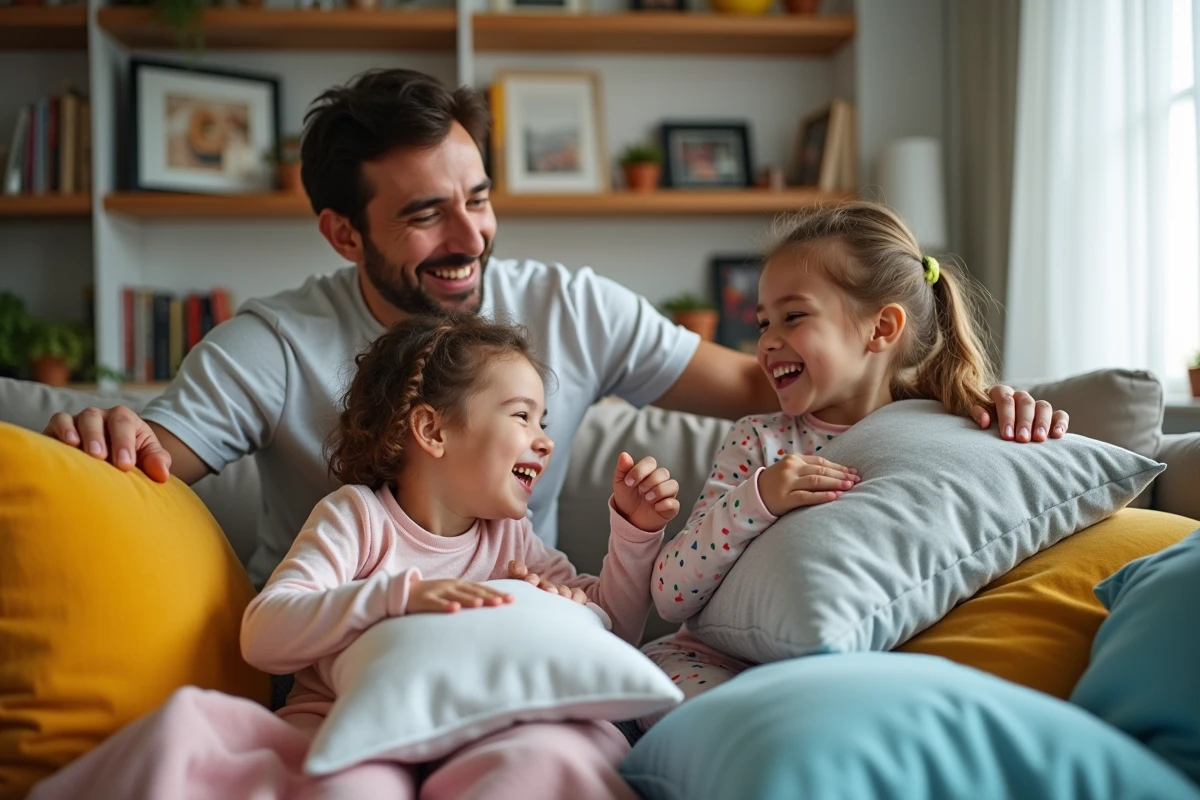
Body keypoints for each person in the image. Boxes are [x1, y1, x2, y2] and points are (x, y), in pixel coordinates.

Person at [42, 68, 1068, 590]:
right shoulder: (271, 342)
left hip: (510, 628)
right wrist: (108, 443)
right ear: (340, 231)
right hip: (334, 651)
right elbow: (150, 457)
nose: (469, 237)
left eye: (477, 198)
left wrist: (966, 398)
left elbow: (778, 382)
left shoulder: (570, 305)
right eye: (424, 214)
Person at [635, 201, 1068, 729]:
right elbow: (670, 595)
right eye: (764, 321)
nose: (767, 340)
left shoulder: (949, 430)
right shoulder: (759, 441)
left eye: (793, 316)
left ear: (881, 328)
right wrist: (757, 498)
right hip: (711, 665)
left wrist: (1023, 425)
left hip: (853, 676)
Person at [240, 314, 680, 798]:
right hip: (340, 730)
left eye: (543, 421)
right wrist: (398, 599)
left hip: (485, 735)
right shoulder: (357, 517)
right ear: (432, 430)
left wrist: (633, 534)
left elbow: (613, 630)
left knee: (543, 766)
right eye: (521, 415)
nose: (545, 439)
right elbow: (263, 634)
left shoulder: (510, 534)